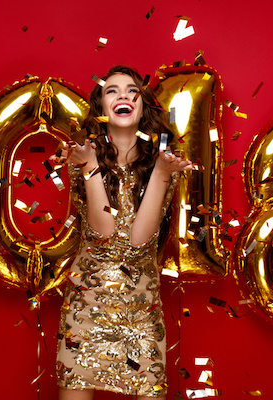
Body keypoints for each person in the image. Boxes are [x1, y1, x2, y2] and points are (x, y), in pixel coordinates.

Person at [55, 65, 193, 400]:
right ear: (101, 107)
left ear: (143, 107)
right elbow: (103, 234)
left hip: (141, 310)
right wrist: (90, 167)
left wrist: (161, 174)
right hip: (86, 308)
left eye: (132, 91)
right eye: (112, 91)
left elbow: (138, 241)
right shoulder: (81, 159)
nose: (123, 96)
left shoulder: (163, 164)